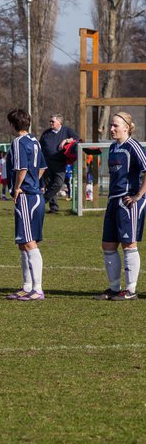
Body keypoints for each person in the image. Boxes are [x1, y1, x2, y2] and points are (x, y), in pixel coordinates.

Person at [97, 111, 146, 301]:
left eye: (115, 125)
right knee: (108, 244)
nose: (111, 129)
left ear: (126, 127)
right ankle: (114, 288)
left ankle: (131, 290)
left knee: (128, 244)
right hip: (113, 201)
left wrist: (139, 195)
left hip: (128, 202)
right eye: (111, 125)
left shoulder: (133, 147)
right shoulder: (113, 147)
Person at [7, 109, 47, 301]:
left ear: (13, 125)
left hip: (27, 197)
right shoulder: (35, 141)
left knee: (29, 243)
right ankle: (28, 286)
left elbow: (21, 168)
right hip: (36, 196)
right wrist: (35, 183)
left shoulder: (18, 142)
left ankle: (37, 289)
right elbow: (42, 167)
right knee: (24, 243)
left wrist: (17, 188)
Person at [39, 114, 78, 214]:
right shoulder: (46, 133)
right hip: (46, 162)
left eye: (53, 121)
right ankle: (54, 207)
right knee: (49, 184)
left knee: (58, 183)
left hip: (59, 162)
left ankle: (42, 200)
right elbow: (40, 146)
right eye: (50, 121)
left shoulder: (66, 131)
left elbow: (77, 139)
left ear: (59, 122)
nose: (50, 123)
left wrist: (66, 140)